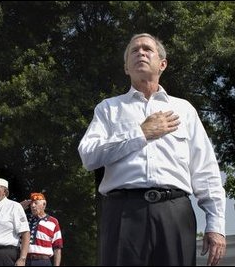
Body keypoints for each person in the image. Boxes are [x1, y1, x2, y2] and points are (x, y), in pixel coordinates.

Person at [78, 33, 226, 266]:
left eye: (147, 49)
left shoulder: (184, 109)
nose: (140, 53)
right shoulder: (108, 109)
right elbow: (88, 156)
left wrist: (216, 225)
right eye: (134, 51)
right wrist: (141, 133)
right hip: (123, 213)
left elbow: (205, 170)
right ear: (126, 67)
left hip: (175, 212)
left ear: (162, 64)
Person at [0, 176, 30, 266]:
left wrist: (22, 258)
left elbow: (25, 234)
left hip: (4, 255)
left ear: (4, 192)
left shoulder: (15, 207)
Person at [24, 192, 63, 266]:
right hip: (24, 261)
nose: (32, 206)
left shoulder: (53, 221)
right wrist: (20, 206)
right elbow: (10, 215)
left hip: (43, 262)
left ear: (44, 205)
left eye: (35, 203)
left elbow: (57, 248)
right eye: (31, 203)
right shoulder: (24, 218)